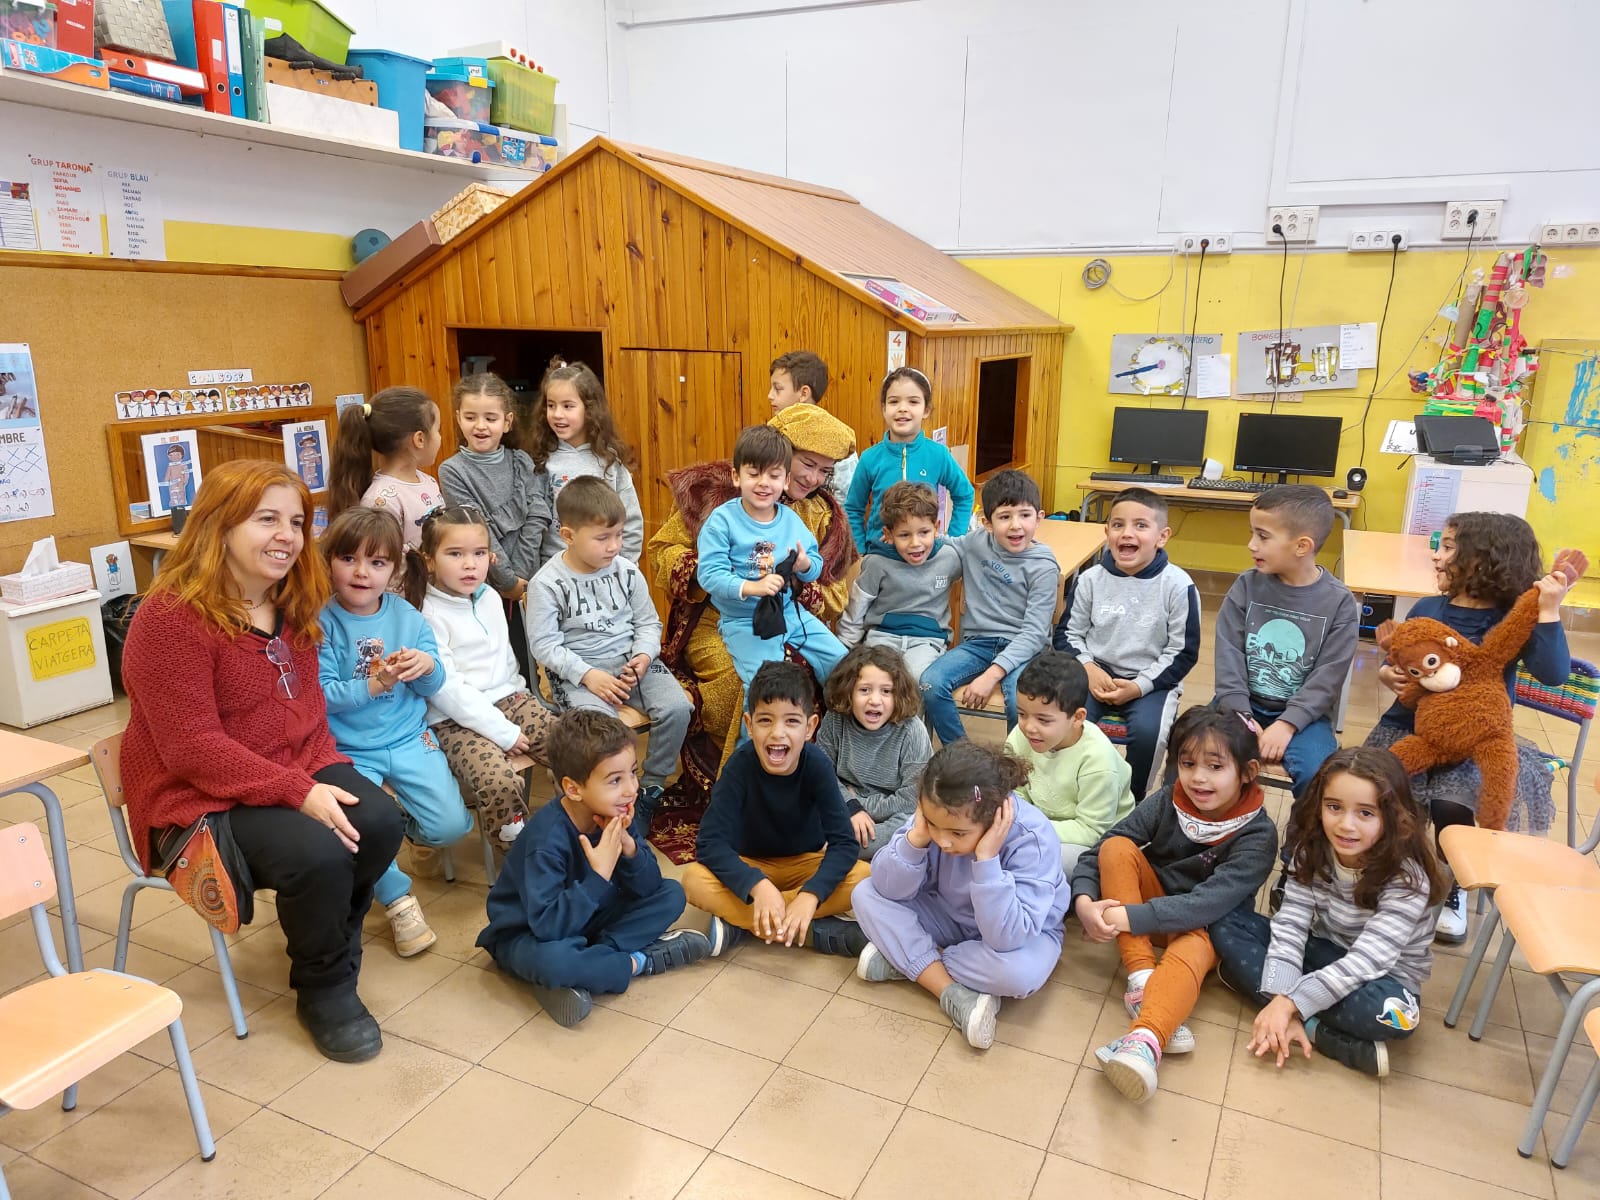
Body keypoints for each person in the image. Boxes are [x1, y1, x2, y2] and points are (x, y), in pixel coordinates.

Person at [120, 460, 404, 1063]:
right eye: (266, 519)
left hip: (287, 766)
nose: (287, 536)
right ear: (219, 526)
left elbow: (308, 710)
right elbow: (191, 748)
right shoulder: (169, 618)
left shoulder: (291, 602)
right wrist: (299, 792)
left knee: (379, 822)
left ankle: (330, 939)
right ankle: (324, 987)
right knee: (320, 853)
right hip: (196, 798)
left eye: (297, 522)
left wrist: (320, 771)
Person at [1363, 513, 1584, 941]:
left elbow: (1554, 672)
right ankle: (1394, 877)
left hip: (1475, 742)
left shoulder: (1512, 617)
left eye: (1448, 547)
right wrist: (1389, 675)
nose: (1437, 556)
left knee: (1453, 805)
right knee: (1386, 792)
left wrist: (1549, 610)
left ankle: (1452, 888)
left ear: (1483, 560)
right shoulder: (1429, 608)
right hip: (1410, 729)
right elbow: (1401, 660)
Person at [650, 402, 858, 799]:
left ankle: (825, 772)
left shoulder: (822, 514)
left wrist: (800, 580)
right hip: (715, 617)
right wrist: (728, 574)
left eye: (825, 471)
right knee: (748, 685)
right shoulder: (714, 494)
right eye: (807, 464)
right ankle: (737, 788)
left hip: (789, 614)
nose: (813, 478)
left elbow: (834, 590)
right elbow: (662, 552)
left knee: (843, 672)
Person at [1073, 706, 1278, 1103]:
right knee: (1118, 849)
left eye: (1215, 767)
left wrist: (1126, 917)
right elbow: (1104, 847)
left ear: (1248, 771)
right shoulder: (1170, 799)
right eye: (1187, 764)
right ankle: (1142, 980)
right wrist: (1083, 899)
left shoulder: (1258, 834)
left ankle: (1144, 1042)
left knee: (1198, 940)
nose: (1198, 777)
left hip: (1205, 927)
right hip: (1149, 914)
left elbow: (1206, 905)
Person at [1211, 748, 1446, 1078]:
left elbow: (1368, 960)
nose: (1346, 825)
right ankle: (1319, 1032)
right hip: (1324, 951)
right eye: (1334, 807)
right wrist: (1286, 995)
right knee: (1226, 922)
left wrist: (1289, 1002)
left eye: (1366, 813)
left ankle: (1283, 1006)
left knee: (1397, 1016)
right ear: (1318, 805)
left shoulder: (1407, 880)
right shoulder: (1311, 852)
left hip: (1382, 978)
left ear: (1393, 816)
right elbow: (1291, 924)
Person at [476, 711, 711, 1027]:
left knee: (671, 893)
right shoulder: (546, 841)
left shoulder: (614, 811)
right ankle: (638, 962)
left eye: (633, 773)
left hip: (588, 921)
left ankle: (588, 966)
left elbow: (649, 887)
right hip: (530, 933)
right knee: (555, 960)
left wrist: (630, 848)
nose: (631, 789)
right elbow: (548, 927)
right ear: (573, 789)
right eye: (615, 780)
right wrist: (598, 876)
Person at [317, 506, 472, 959]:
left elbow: (434, 682)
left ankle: (405, 831)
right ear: (330, 562)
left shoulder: (408, 616)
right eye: (348, 558)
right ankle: (399, 900)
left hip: (408, 738)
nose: (362, 572)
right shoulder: (322, 621)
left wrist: (426, 666)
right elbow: (321, 695)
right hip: (348, 748)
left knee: (450, 827)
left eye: (377, 562)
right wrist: (375, 683)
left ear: (395, 570)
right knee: (357, 831)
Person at [852, 741, 1072, 1050]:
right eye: (933, 825)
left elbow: (1008, 938)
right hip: (948, 915)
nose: (943, 841)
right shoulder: (936, 812)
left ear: (993, 817)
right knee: (865, 893)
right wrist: (916, 839)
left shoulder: (1033, 837)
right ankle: (950, 991)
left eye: (958, 833)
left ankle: (912, 960)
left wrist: (987, 861)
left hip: (1018, 938)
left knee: (1020, 975)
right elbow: (887, 888)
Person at [682, 661, 871, 957]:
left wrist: (810, 895)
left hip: (804, 864)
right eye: (765, 721)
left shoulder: (818, 765)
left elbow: (844, 844)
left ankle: (745, 923)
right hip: (751, 863)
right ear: (749, 725)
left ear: (810, 727)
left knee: (866, 878)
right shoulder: (738, 766)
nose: (777, 733)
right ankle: (808, 930)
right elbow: (709, 844)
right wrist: (758, 886)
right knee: (693, 880)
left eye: (791, 721)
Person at [526, 476, 691, 809]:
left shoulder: (627, 571)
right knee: (603, 735)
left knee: (678, 708)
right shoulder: (546, 583)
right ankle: (603, 797)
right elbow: (544, 645)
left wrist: (644, 656)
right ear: (568, 536)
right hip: (579, 673)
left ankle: (651, 786)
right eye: (602, 538)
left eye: (618, 534)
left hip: (633, 663)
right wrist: (588, 675)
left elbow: (648, 623)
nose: (614, 546)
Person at [410, 506, 556, 846]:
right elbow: (446, 689)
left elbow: (505, 661)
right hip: (451, 721)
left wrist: (519, 705)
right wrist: (502, 732)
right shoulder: (425, 613)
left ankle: (580, 837)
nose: (469, 564)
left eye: (478, 553)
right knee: (498, 782)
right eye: (455, 554)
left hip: (509, 700)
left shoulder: (489, 596)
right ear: (429, 560)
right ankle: (521, 858)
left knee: (571, 747)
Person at [1054, 487, 1200, 797]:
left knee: (1149, 735)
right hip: (1095, 675)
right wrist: (1088, 668)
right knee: (1068, 723)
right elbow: (1067, 635)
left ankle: (1133, 801)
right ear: (1107, 531)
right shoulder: (1089, 580)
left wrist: (1138, 686)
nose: (1127, 533)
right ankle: (1072, 791)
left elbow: (1183, 652)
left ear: (1162, 536)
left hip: (1152, 682)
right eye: (1118, 524)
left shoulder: (1178, 585)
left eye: (1141, 525)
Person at [1212, 484, 1357, 795]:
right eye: (1252, 533)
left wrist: (1288, 723)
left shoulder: (1339, 603)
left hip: (1305, 717)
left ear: (1302, 546)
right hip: (1239, 705)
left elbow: (1328, 677)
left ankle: (1301, 832)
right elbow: (1228, 655)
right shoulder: (1246, 585)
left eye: (1263, 537)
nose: (1251, 545)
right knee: (1193, 750)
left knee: (1318, 776)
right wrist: (1241, 714)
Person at [695, 424, 847, 703]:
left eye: (774, 475)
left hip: (789, 613)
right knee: (767, 686)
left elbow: (815, 564)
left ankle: (835, 725)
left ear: (785, 480)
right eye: (754, 474)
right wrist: (752, 587)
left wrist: (804, 565)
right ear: (736, 476)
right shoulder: (722, 521)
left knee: (842, 665)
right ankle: (753, 732)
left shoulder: (790, 519)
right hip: (744, 621)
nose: (764, 483)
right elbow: (709, 575)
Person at [921, 470, 1061, 744]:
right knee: (930, 683)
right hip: (978, 644)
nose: (1016, 526)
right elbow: (942, 543)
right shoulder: (976, 542)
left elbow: (1034, 634)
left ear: (1039, 518)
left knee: (1020, 704)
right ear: (986, 523)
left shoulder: (1043, 566)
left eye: (1025, 515)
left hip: (1024, 650)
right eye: (1004, 517)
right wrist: (906, 538)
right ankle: (962, 755)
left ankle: (1017, 763)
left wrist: (990, 676)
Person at [438, 371, 555, 682]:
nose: (480, 426)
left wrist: (523, 578)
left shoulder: (522, 461)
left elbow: (537, 517)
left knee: (539, 667)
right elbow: (478, 531)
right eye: (470, 417)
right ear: (458, 418)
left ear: (507, 421)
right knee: (503, 669)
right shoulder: (452, 471)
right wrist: (507, 581)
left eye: (490, 418)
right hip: (487, 587)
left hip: (531, 583)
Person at [1007, 650, 1135, 870]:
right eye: (1022, 714)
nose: (1028, 727)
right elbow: (1014, 792)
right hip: (1038, 826)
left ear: (1077, 718)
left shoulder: (1097, 760)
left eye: (1043, 720)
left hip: (1093, 843)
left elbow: (1091, 831)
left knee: (1034, 863)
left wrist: (1028, 829)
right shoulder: (1020, 736)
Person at [815, 643, 933, 860]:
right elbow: (821, 774)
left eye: (886, 691)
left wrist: (861, 805)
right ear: (848, 691)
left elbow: (910, 800)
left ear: (899, 694)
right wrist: (850, 807)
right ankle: (842, 846)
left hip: (894, 816)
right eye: (864, 690)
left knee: (914, 825)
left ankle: (841, 847)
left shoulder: (912, 731)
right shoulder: (835, 720)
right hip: (842, 806)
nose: (875, 700)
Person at [836, 481, 963, 680]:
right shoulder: (876, 563)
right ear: (888, 534)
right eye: (904, 535)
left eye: (924, 532)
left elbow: (979, 563)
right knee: (876, 679)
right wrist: (845, 648)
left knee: (916, 679)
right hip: (882, 637)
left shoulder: (949, 558)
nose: (915, 543)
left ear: (936, 528)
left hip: (928, 640)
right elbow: (857, 607)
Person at [844, 367, 974, 553]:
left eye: (913, 401)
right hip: (880, 556)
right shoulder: (870, 458)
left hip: (926, 556)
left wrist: (953, 543)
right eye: (894, 401)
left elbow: (965, 494)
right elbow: (853, 508)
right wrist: (860, 552)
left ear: (926, 410)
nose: (902, 408)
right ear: (884, 408)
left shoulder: (938, 454)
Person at [530, 358, 643, 566]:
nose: (557, 414)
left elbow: (631, 522)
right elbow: (533, 525)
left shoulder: (609, 462)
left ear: (589, 409)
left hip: (606, 570)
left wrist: (625, 568)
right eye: (551, 405)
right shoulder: (541, 461)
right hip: (556, 570)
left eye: (568, 406)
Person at [329, 386, 444, 556]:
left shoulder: (429, 481)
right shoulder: (381, 500)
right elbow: (384, 560)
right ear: (419, 439)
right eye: (438, 430)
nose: (440, 437)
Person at [768, 350, 857, 507]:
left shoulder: (839, 442)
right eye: (808, 464)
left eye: (778, 389)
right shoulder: (771, 435)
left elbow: (845, 500)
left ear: (804, 393)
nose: (770, 395)